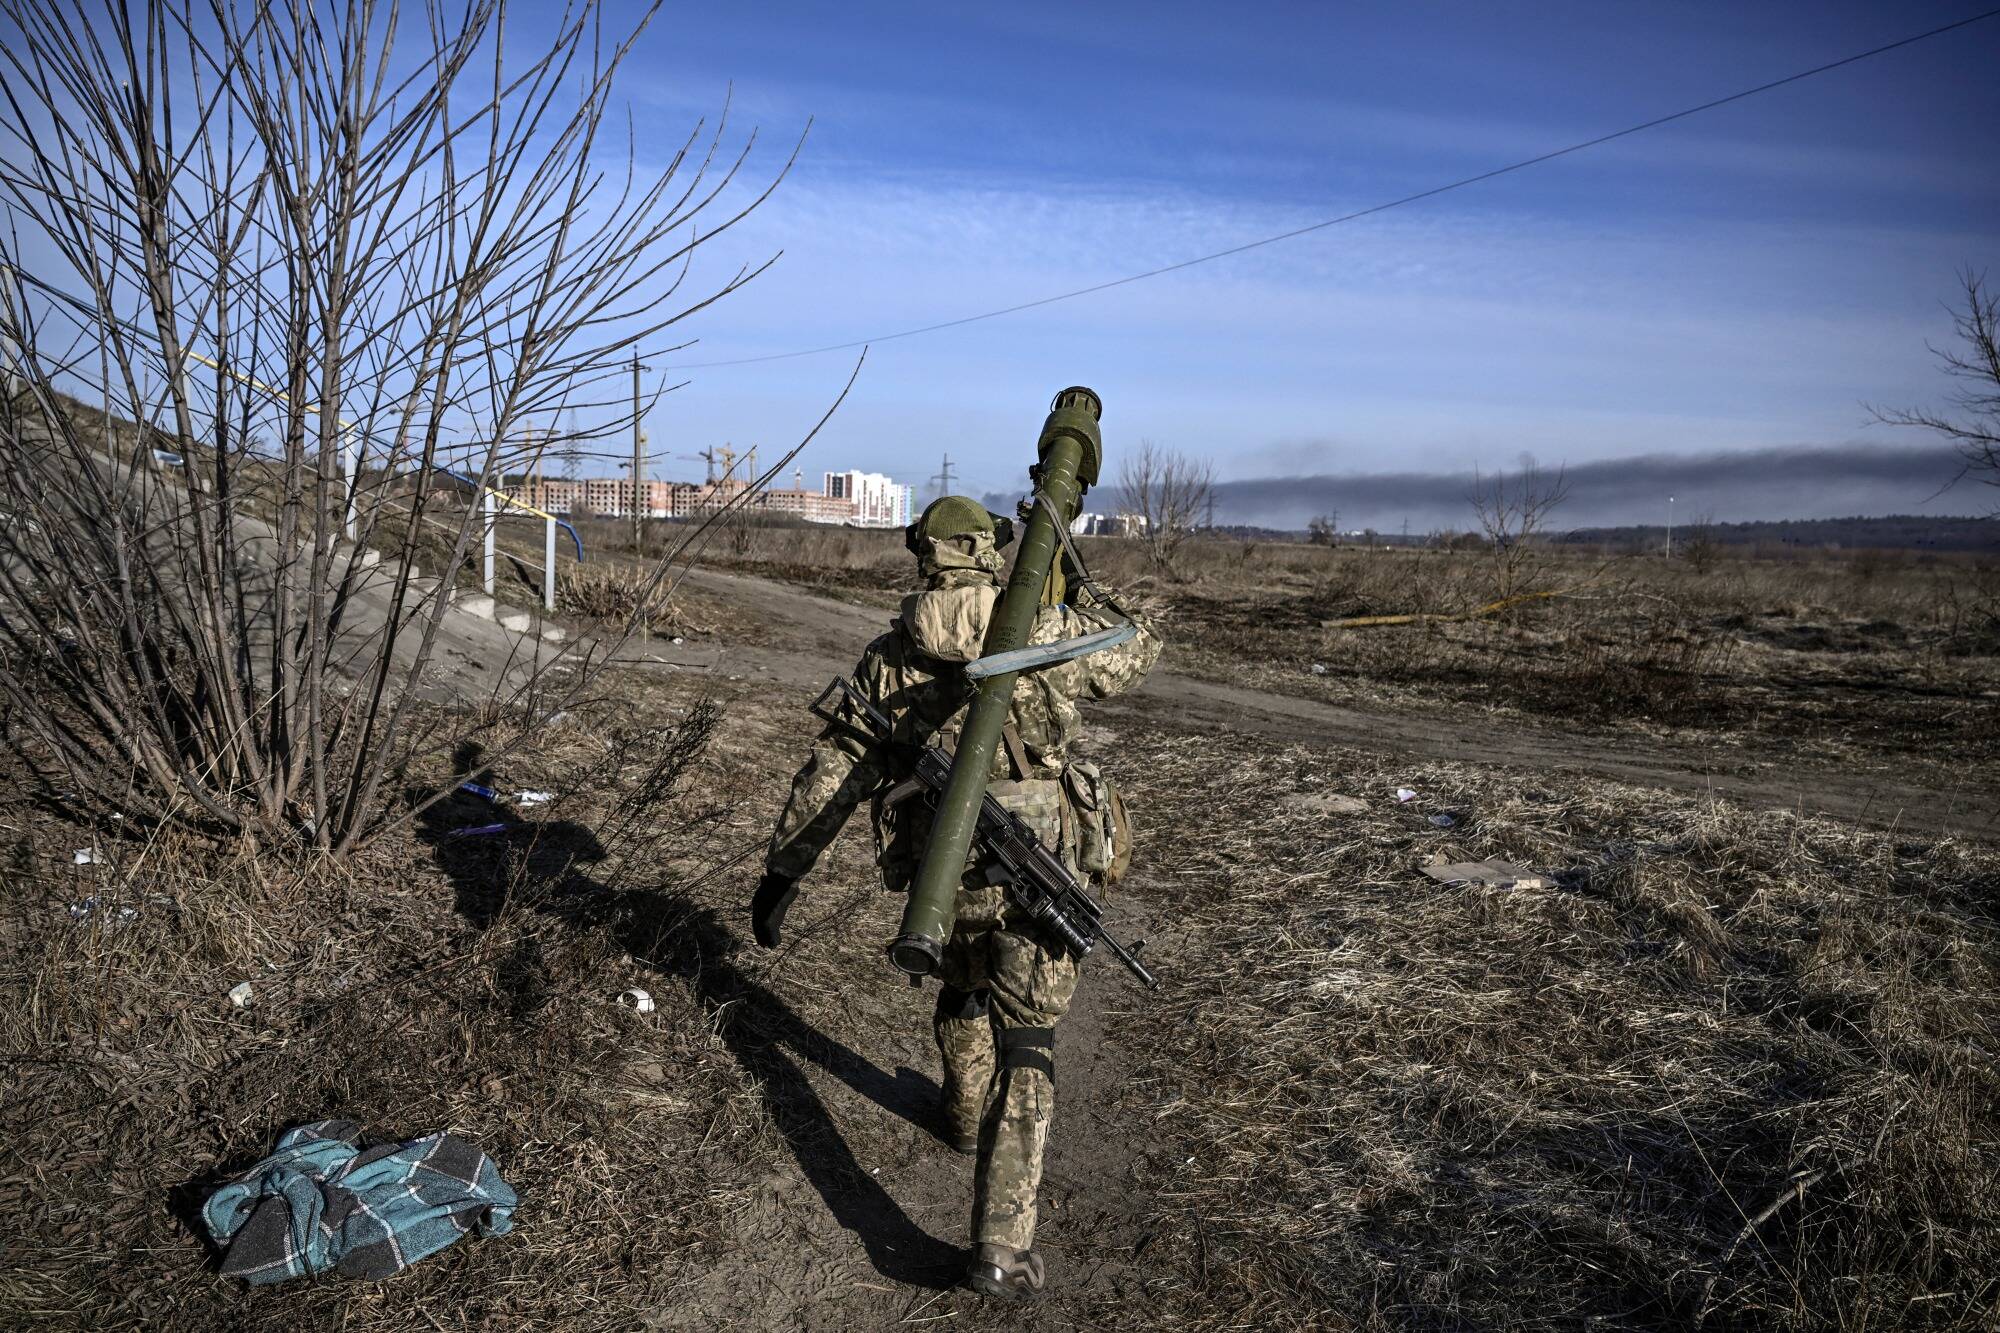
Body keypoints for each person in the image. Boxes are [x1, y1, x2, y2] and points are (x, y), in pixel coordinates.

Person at [750, 495, 1161, 1300]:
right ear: (992, 552)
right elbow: (1140, 645)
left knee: (961, 980)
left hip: (945, 880)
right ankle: (1001, 1246)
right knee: (1028, 1043)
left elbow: (836, 773)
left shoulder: (892, 657)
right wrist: (1079, 576)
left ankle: (962, 1113)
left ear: (924, 555)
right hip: (1038, 861)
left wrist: (782, 873)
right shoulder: (1041, 635)